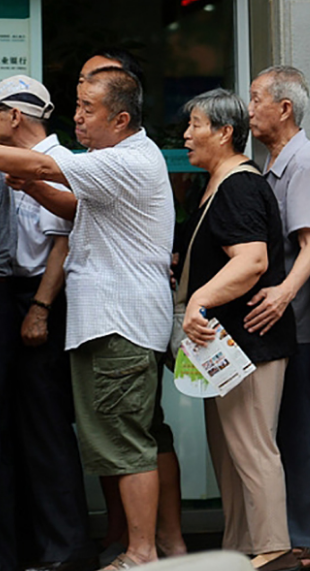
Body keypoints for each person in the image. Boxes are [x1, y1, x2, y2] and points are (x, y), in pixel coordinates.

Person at [0, 67, 173, 571]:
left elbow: (42, 168)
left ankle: (141, 554)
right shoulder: (117, 159)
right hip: (110, 323)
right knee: (116, 441)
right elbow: (76, 209)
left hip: (120, 324)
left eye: (88, 110)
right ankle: (137, 549)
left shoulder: (125, 161)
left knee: (127, 444)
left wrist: (31, 176)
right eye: (76, 106)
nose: (77, 117)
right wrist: (32, 187)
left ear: (121, 119)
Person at [175, 89, 300, 571]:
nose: (186, 135)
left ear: (225, 133)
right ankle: (243, 547)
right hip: (225, 346)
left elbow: (252, 261)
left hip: (249, 343)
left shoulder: (240, 186)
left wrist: (201, 298)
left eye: (196, 124)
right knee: (230, 455)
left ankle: (273, 549)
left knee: (251, 448)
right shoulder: (219, 184)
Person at [245, 65, 310, 568]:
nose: (249, 106)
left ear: (284, 108)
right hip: (281, 323)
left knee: (301, 430)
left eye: (257, 97)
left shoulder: (300, 161)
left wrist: (282, 295)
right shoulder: (275, 160)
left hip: (296, 323)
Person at [0, 76, 90, 571]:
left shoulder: (58, 162)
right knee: (21, 427)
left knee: (47, 427)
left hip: (44, 299)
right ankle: (36, 545)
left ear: (15, 116)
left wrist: (40, 308)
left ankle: (67, 549)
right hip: (15, 293)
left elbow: (63, 242)